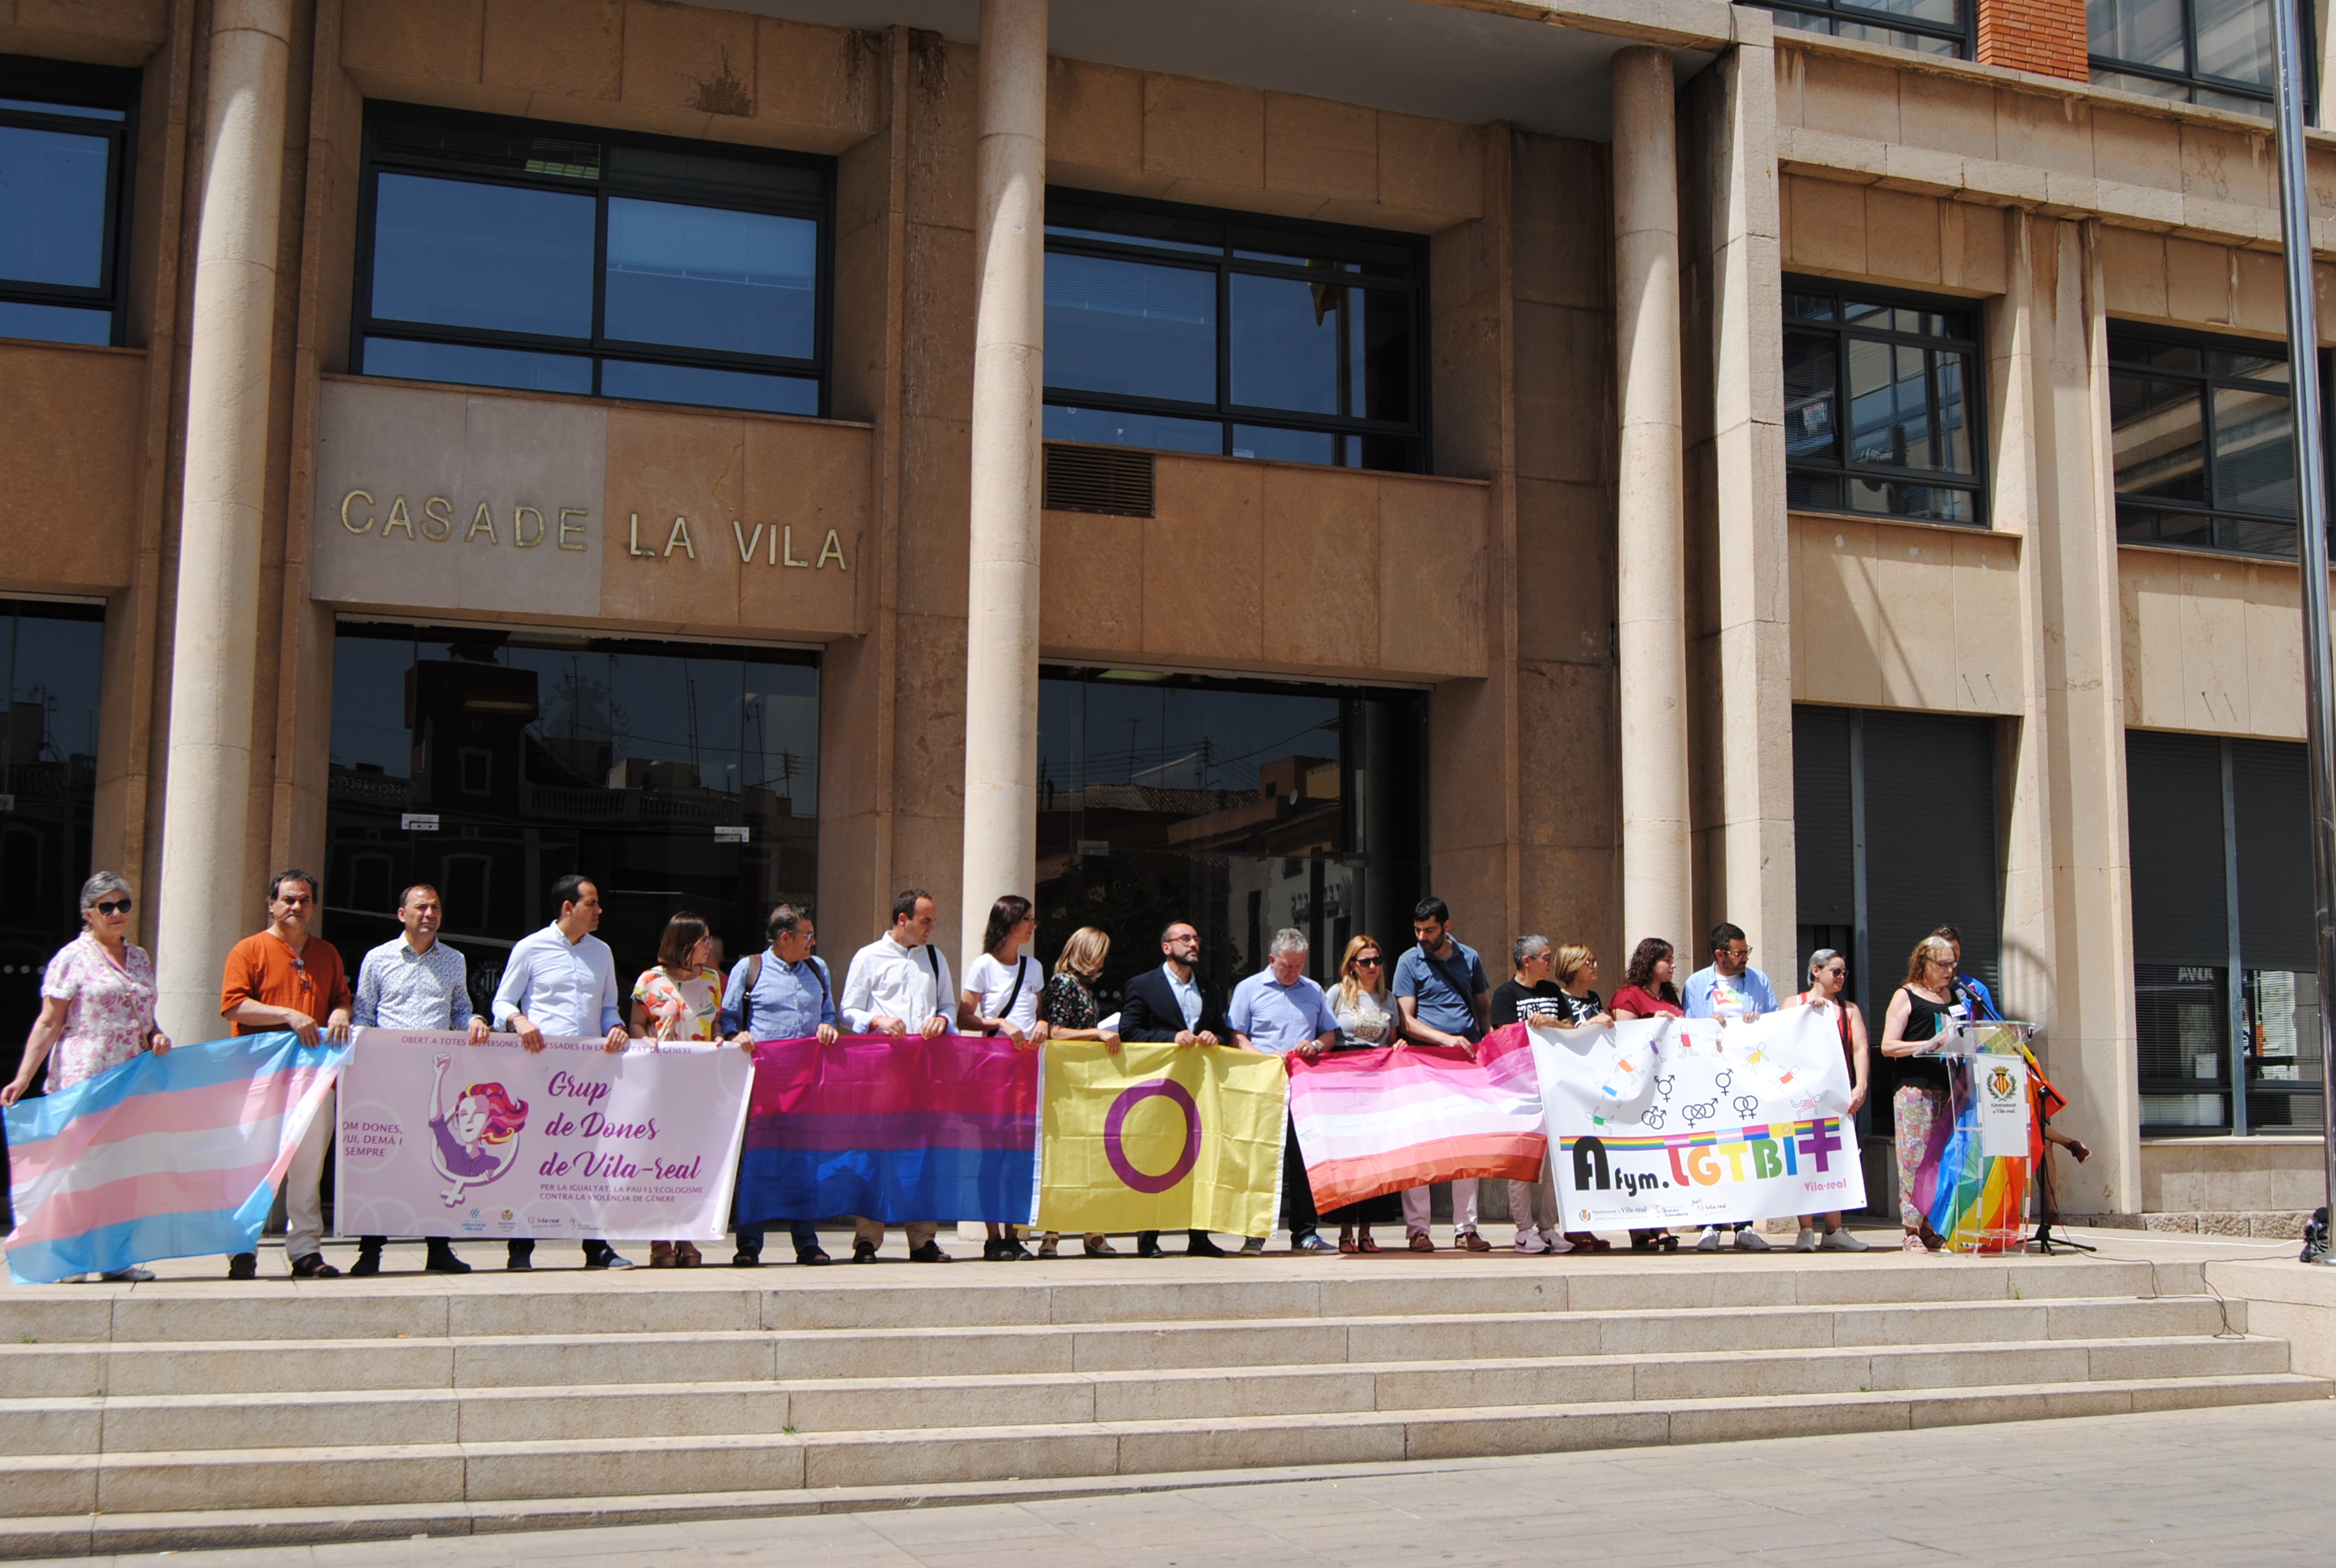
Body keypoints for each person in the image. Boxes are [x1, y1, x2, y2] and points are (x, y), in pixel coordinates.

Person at [2, 874, 171, 1282]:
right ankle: (70, 1260)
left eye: (124, 905)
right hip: (84, 1074)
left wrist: (156, 1033)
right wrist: (23, 1077)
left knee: (120, 1167)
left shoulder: (140, 958)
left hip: (130, 1077)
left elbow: (144, 1017)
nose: (117, 914)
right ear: (88, 914)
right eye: (106, 907)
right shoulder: (70, 957)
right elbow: (49, 1022)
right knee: (78, 1170)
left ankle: (113, 1258)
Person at [493, 874, 635, 1270]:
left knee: (588, 1157)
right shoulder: (530, 948)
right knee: (533, 1154)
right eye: (591, 903)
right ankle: (520, 1248)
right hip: (539, 1072)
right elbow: (502, 1001)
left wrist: (616, 1027)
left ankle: (596, 1246)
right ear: (568, 908)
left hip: (587, 1076)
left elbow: (609, 1008)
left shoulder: (602, 952)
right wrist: (519, 1021)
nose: (599, 910)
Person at [349, 883, 491, 1275]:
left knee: (436, 1165)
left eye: (436, 908)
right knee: (383, 1163)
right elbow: (363, 1016)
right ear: (402, 914)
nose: (429, 914)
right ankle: (370, 1251)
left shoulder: (454, 960)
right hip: (387, 1080)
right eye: (421, 907)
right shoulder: (378, 959)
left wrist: (475, 1020)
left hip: (436, 1080)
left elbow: (460, 1009)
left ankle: (438, 1249)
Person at [218, 869, 353, 1281]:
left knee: (308, 1169)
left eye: (305, 900)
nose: (297, 907)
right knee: (252, 1164)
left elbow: (342, 1002)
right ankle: (242, 1249)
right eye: (289, 900)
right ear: (272, 903)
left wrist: (338, 1014)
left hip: (313, 1080)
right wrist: (288, 1015)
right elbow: (233, 1005)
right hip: (259, 1079)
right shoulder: (249, 949)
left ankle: (306, 1251)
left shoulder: (327, 953)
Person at [837, 889, 957, 1263]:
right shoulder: (868, 957)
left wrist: (944, 1019)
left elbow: (949, 1005)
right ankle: (867, 1238)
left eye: (933, 920)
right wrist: (876, 1020)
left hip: (924, 1074)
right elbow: (847, 1010)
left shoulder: (935, 959)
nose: (932, 928)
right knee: (875, 1153)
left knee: (923, 1155)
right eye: (926, 920)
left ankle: (922, 1239)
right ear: (902, 920)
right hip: (881, 1073)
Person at [720, 902, 839, 1266]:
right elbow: (727, 1017)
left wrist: (828, 1026)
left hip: (807, 1085)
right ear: (784, 937)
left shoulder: (818, 970)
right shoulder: (750, 968)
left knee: (805, 1164)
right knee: (757, 1163)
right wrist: (736, 1035)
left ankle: (806, 1243)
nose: (813, 942)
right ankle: (749, 1245)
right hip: (763, 1084)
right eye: (807, 935)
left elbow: (830, 1014)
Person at [1120, 920, 1232, 1258]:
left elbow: (1223, 1032)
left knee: (1200, 1157)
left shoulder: (1209, 989)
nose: (1194, 943)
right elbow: (1129, 1031)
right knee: (1156, 1158)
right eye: (1185, 938)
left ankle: (1199, 1235)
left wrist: (1216, 1037)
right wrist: (1170, 1038)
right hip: (1157, 1088)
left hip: (1199, 1089)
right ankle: (1148, 1235)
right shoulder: (1142, 985)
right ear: (1167, 947)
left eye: (1196, 938)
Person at [1228, 928, 1341, 1257]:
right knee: (1260, 1160)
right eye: (1287, 966)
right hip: (1263, 1088)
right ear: (1272, 959)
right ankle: (1254, 1233)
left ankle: (1305, 1232)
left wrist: (1317, 1044)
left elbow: (1330, 1033)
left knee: (1304, 1161)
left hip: (1304, 1090)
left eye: (1299, 966)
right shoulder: (1249, 989)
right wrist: (1263, 1057)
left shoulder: (1314, 990)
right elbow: (1235, 1036)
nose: (1293, 972)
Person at [1391, 896, 1491, 1253]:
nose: (1422, 936)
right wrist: (1446, 1039)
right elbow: (1406, 1020)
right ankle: (1418, 1229)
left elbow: (1482, 1009)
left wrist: (1488, 1048)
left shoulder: (1471, 957)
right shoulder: (1408, 961)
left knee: (1467, 1145)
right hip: (1424, 1061)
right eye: (1417, 930)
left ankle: (1467, 1228)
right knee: (1420, 1145)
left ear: (1447, 926)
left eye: (1429, 929)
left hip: (1467, 1063)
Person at [630, 911, 726, 1267]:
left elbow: (714, 1023)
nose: (709, 946)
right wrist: (650, 1044)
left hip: (699, 1084)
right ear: (684, 943)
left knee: (691, 1160)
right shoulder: (650, 981)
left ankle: (686, 1233)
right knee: (658, 1160)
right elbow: (636, 1026)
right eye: (703, 940)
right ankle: (658, 1238)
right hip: (661, 1084)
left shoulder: (713, 979)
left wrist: (719, 1040)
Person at [1681, 923, 1775, 1253]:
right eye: (1739, 952)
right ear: (1720, 954)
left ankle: (1745, 1224)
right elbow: (1690, 1028)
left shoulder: (1759, 981)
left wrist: (1759, 1021)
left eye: (1747, 951)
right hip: (1711, 1078)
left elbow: (1776, 1023)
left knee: (1746, 1150)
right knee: (1712, 1149)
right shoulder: (1696, 983)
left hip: (1748, 1078)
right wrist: (1709, 1025)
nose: (1745, 958)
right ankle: (1711, 1222)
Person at [963, 895, 1045, 1261]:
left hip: (1028, 1068)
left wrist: (1042, 1023)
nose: (1032, 925)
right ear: (1008, 923)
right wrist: (998, 1021)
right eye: (1026, 919)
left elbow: (1040, 1014)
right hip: (994, 1069)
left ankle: (1015, 1233)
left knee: (1020, 1154)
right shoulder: (983, 965)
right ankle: (993, 1236)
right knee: (992, 1154)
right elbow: (965, 1017)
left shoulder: (1034, 967)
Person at [1036, 925, 1120, 1258]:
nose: (1103, 960)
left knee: (1087, 1155)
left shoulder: (1083, 987)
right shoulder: (1064, 983)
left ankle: (1089, 1229)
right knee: (1064, 1155)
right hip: (1066, 1081)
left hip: (1083, 1082)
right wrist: (1096, 1033)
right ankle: (1053, 1232)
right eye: (1099, 952)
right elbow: (1056, 1031)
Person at [1879, 935, 1963, 1253]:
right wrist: (1928, 1044)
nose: (1949, 971)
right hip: (1915, 1090)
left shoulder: (1954, 996)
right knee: (1915, 1160)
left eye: (1953, 964)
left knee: (1941, 1162)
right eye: (1942, 964)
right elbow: (1888, 1046)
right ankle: (1911, 1229)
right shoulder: (1906, 996)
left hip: (1949, 1088)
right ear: (1924, 962)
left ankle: (1932, 1226)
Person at [1489, 935, 1571, 1256]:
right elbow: (1502, 1041)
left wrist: (1551, 1023)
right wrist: (1530, 1028)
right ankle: (1523, 1231)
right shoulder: (1506, 995)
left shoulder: (1553, 992)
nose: (1551, 963)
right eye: (1546, 958)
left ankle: (1548, 1227)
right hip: (1521, 1089)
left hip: (1555, 1086)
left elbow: (1572, 1027)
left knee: (1557, 1161)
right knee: (1521, 1162)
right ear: (1527, 961)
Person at [1786, 949, 1871, 1253]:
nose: (1841, 978)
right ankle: (1806, 1229)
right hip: (1802, 1097)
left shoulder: (1849, 1010)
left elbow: (1860, 1047)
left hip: (1838, 1098)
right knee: (1804, 1159)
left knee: (1836, 1158)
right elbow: (1781, 1041)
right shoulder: (1794, 1003)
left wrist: (1860, 1085)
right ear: (1816, 971)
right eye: (1836, 971)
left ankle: (1834, 1229)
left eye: (1844, 972)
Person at [1320, 935, 1401, 1253]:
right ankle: (1344, 1231)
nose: (1372, 967)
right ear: (1352, 965)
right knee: (1346, 1156)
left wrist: (1399, 1048)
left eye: (1377, 960)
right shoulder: (1337, 994)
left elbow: (1391, 1039)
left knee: (1373, 1157)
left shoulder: (1388, 998)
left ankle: (1366, 1231)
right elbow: (1324, 1032)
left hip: (1376, 1083)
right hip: (1342, 1079)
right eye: (1364, 961)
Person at [1609, 937, 1683, 1253]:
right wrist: (1649, 1023)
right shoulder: (1628, 996)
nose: (1673, 965)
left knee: (1664, 1156)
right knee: (1638, 1156)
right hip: (1638, 1087)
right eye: (1667, 959)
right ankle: (1639, 1228)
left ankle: (1662, 1223)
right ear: (1651, 962)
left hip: (1669, 1086)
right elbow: (1623, 1039)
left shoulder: (1670, 995)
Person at [1930, 925, 2002, 1022]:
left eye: (1954, 951)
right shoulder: (1918, 990)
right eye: (1945, 951)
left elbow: (1995, 1029)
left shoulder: (1975, 989)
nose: (1950, 955)